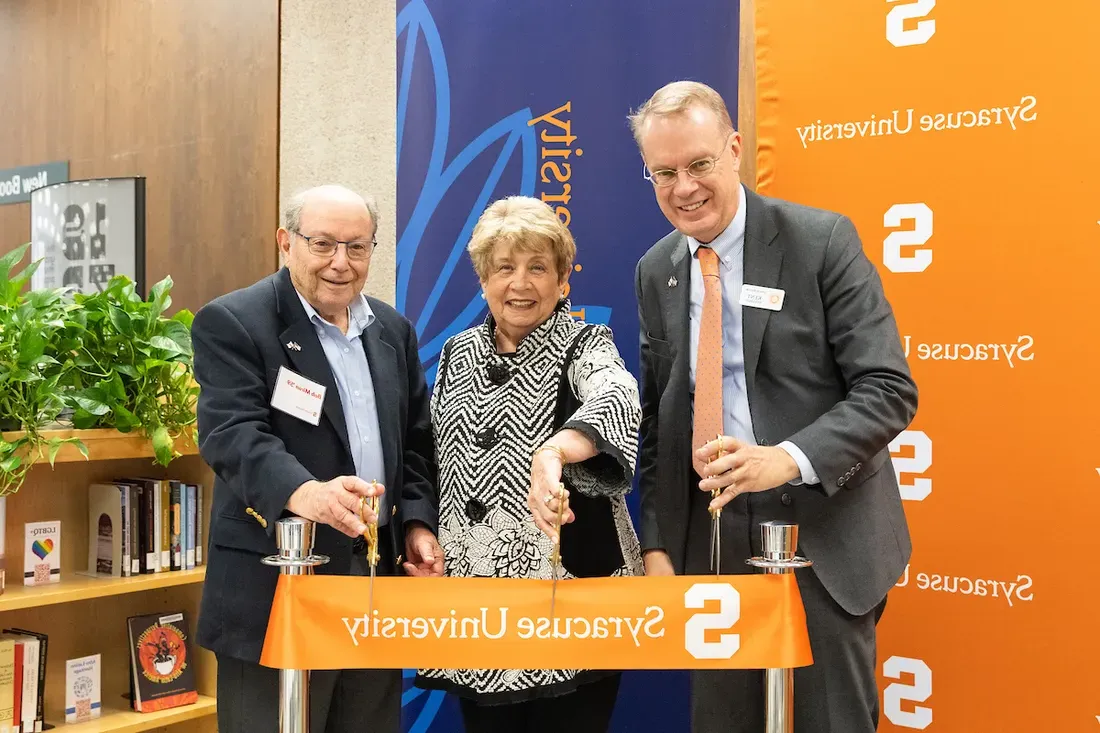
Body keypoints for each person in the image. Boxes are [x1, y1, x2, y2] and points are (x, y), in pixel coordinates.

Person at [629, 81, 919, 732]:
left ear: (734, 150)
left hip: (823, 534)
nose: (684, 188)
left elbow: (887, 388)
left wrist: (786, 459)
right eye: (664, 172)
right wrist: (656, 541)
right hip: (715, 545)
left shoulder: (819, 240)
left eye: (699, 164)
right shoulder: (657, 269)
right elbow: (662, 423)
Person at [191, 184, 443, 733]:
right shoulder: (234, 322)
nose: (340, 263)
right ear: (286, 242)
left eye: (356, 248)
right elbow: (232, 433)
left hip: (373, 585)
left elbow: (416, 444)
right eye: (323, 244)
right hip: (275, 587)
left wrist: (420, 524)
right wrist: (308, 495)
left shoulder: (392, 331)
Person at [415, 196, 642, 732]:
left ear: (563, 279)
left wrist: (556, 450)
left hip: (569, 598)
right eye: (505, 268)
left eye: (538, 267)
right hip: (477, 606)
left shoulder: (586, 342)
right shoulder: (456, 352)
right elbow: (431, 454)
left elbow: (617, 394)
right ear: (483, 280)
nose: (520, 283)